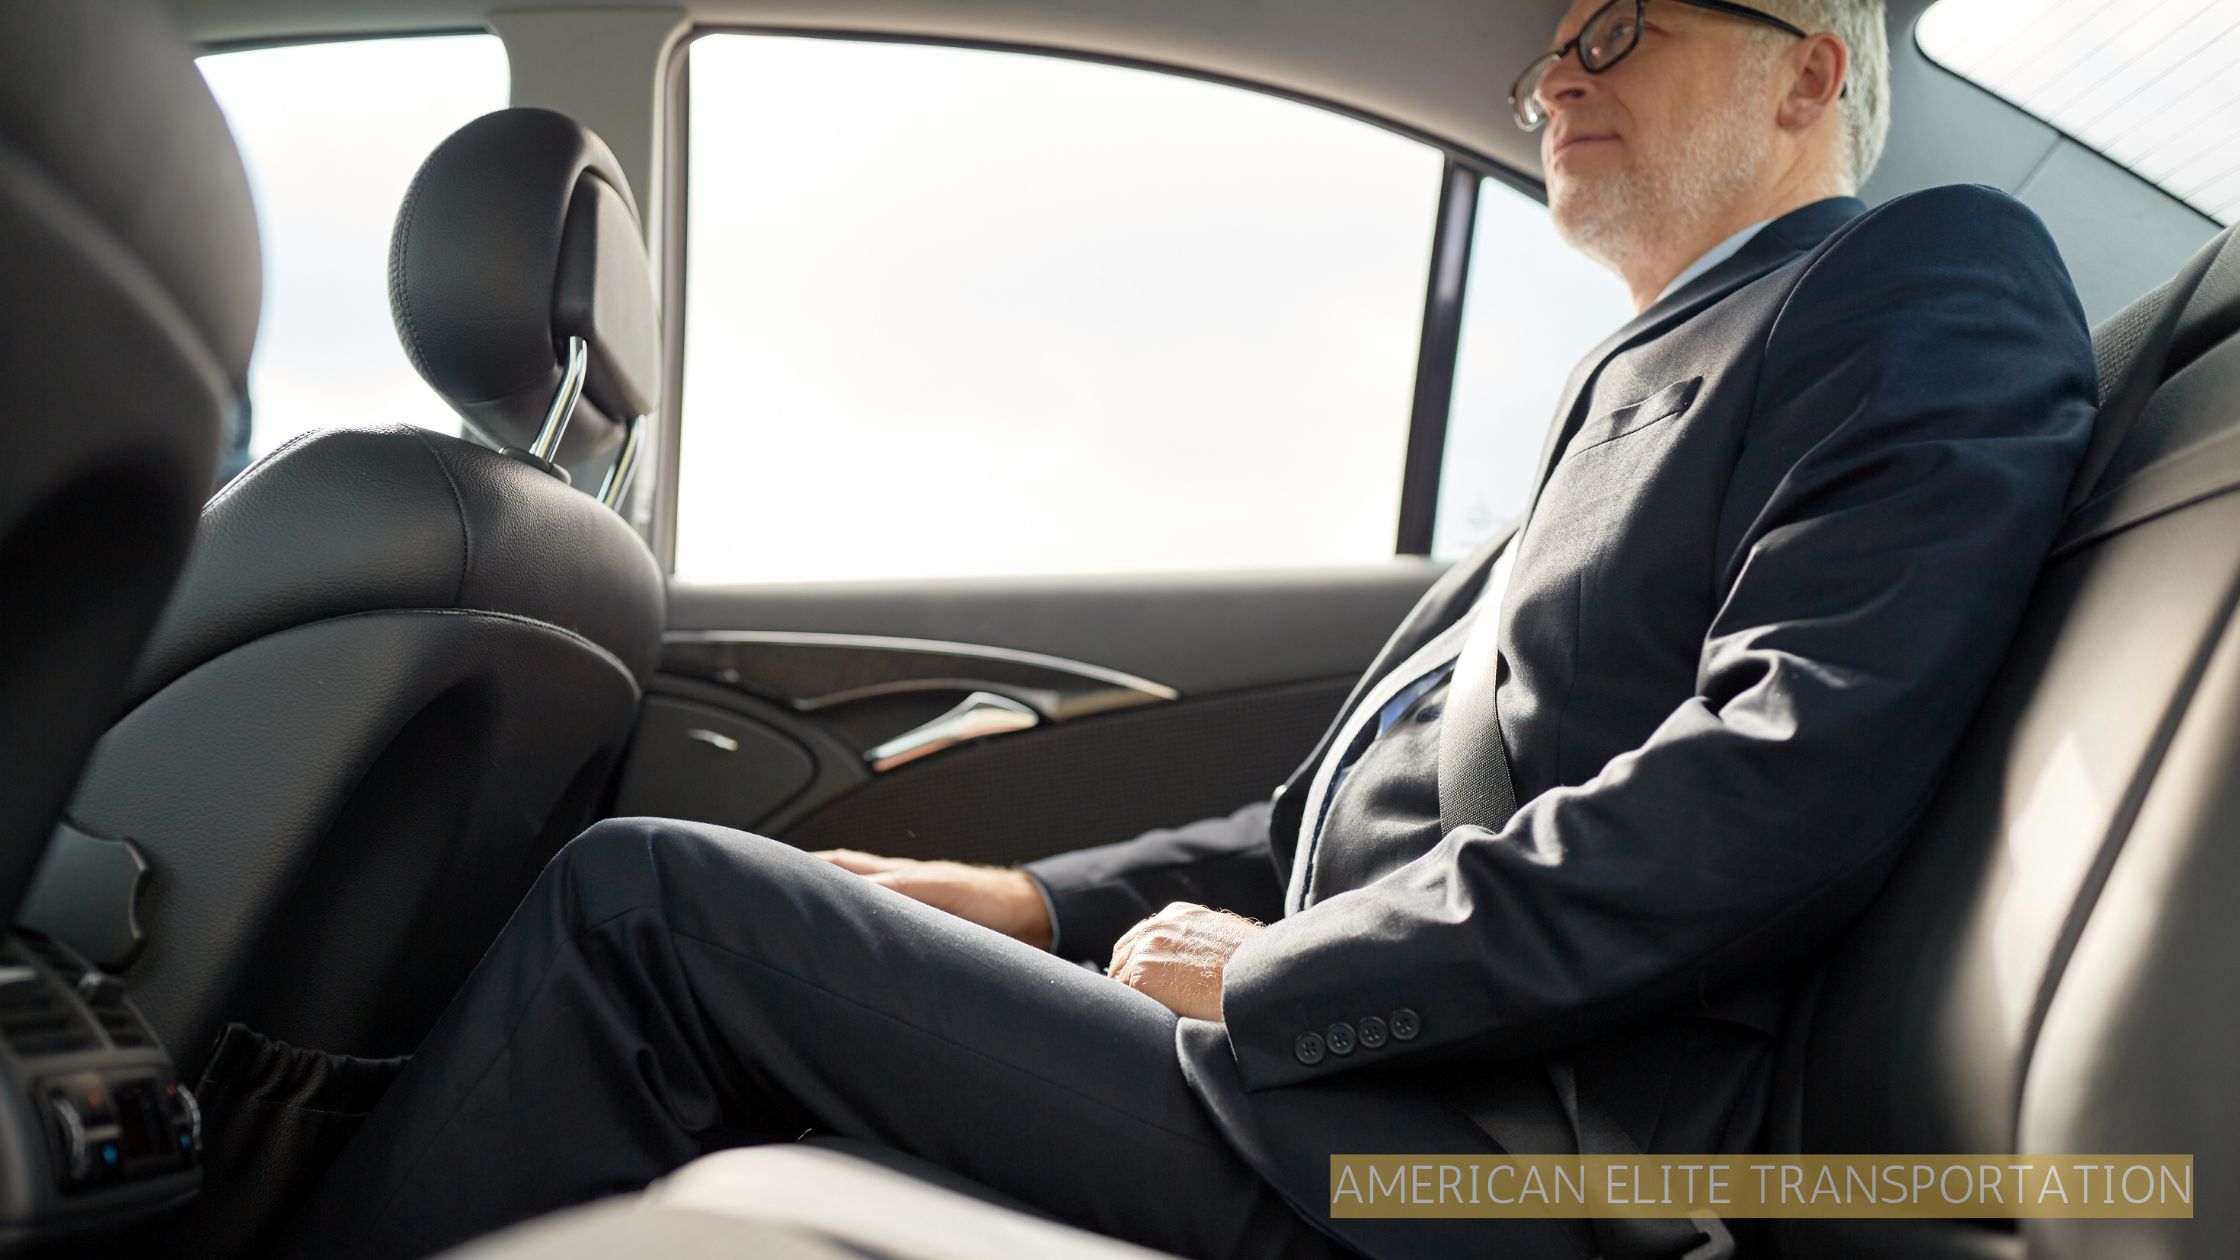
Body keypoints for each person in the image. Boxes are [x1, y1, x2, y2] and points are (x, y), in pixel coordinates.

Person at [280, 2, 2099, 1257]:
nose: (1555, 65)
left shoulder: (1921, 280)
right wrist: (1042, 906)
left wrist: (1281, 977)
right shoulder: (1633, 387)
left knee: (646, 908)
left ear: (1805, 72)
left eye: (1621, 23)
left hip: (1488, 1170)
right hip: (1368, 1094)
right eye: (1559, 33)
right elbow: (1310, 815)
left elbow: (1777, 783)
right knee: (725, 951)